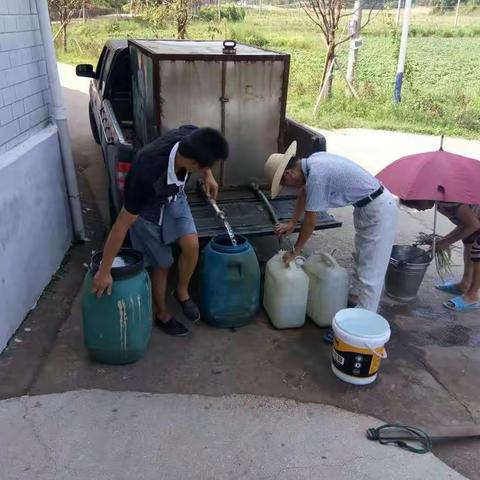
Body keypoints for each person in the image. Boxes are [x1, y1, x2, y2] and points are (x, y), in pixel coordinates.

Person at [92, 125, 229, 336]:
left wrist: (208, 175)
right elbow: (122, 225)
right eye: (204, 167)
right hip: (147, 210)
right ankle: (162, 314)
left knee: (192, 244)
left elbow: (203, 151)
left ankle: (181, 291)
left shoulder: (190, 136)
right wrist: (104, 270)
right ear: (193, 163)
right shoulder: (146, 174)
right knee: (163, 263)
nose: (205, 170)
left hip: (174, 197)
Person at [264, 142, 398, 334]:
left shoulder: (317, 177)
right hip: (366, 207)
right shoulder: (312, 162)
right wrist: (292, 223)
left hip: (379, 211)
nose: (289, 189)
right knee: (362, 261)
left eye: (285, 185)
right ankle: (355, 310)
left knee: (371, 275)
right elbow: (303, 194)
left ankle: (360, 333)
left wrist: (296, 251)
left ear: (288, 174)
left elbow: (311, 221)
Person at [400, 200, 480, 312]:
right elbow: (465, 224)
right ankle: (465, 284)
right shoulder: (440, 204)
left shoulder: (450, 202)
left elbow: (474, 225)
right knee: (469, 240)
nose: (418, 209)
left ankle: (472, 295)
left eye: (415, 204)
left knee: (477, 250)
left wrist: (446, 242)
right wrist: (443, 241)